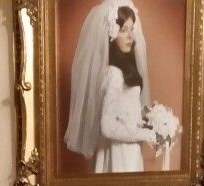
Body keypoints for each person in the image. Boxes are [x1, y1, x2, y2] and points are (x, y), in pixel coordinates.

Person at [65, 1, 153, 173]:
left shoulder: (125, 70)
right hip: (118, 155)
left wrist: (154, 125)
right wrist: (143, 134)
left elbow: (127, 112)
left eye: (131, 29)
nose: (130, 36)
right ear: (112, 35)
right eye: (123, 30)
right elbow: (107, 126)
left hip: (130, 152)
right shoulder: (113, 73)